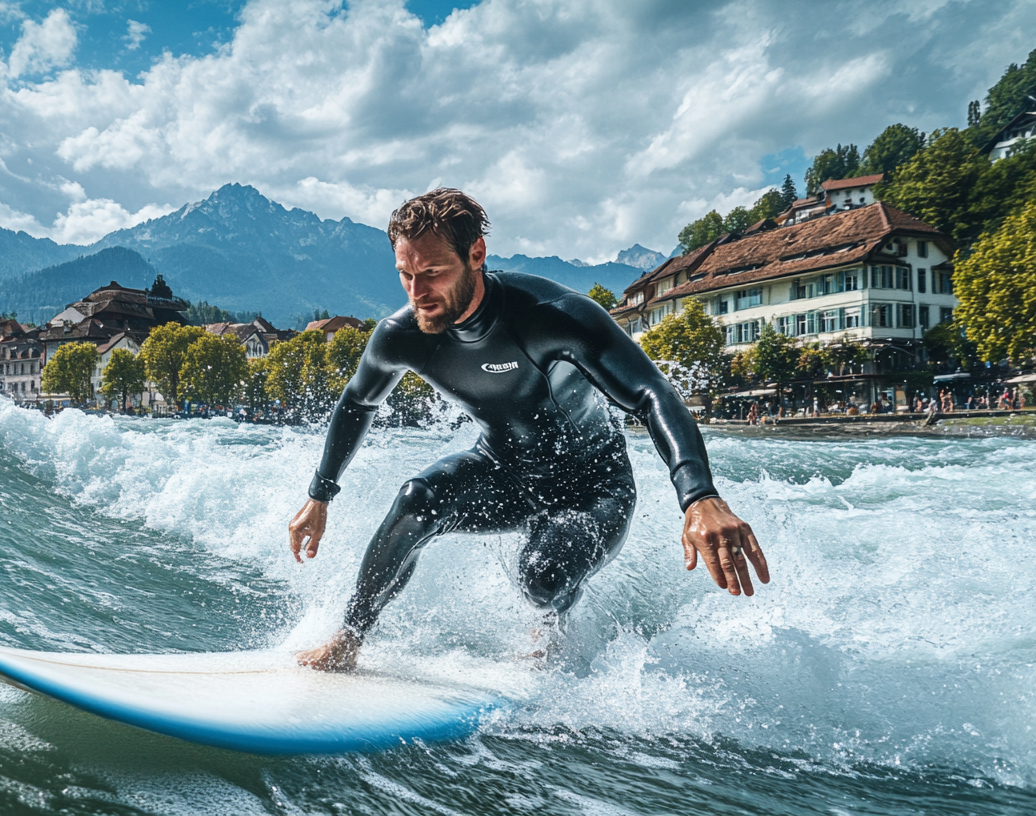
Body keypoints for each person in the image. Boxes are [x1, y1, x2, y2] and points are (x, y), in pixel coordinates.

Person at [287, 189, 769, 672]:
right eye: (406, 275)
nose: (418, 293)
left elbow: (651, 394)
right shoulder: (402, 335)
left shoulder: (552, 315)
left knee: (541, 576)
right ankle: (348, 639)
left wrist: (699, 495)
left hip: (594, 487)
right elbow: (358, 401)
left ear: (476, 254)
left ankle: (551, 631)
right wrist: (319, 495)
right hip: (503, 473)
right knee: (416, 498)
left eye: (433, 273)